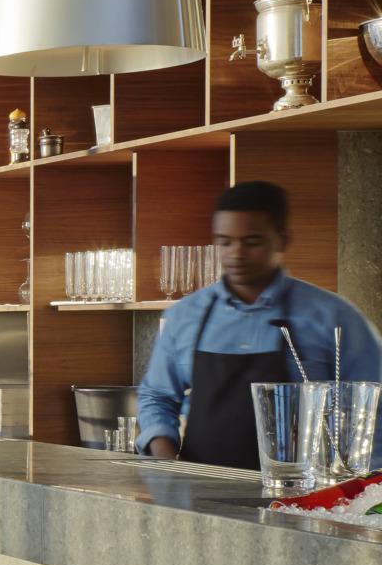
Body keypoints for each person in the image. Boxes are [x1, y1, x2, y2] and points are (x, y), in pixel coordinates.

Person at [137, 180, 382, 467]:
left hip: (302, 499)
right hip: (199, 496)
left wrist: (361, 494)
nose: (236, 254)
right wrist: (168, 467)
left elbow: (372, 412)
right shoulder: (185, 315)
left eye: (251, 242)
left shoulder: (332, 316)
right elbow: (156, 396)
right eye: (225, 242)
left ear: (282, 239)